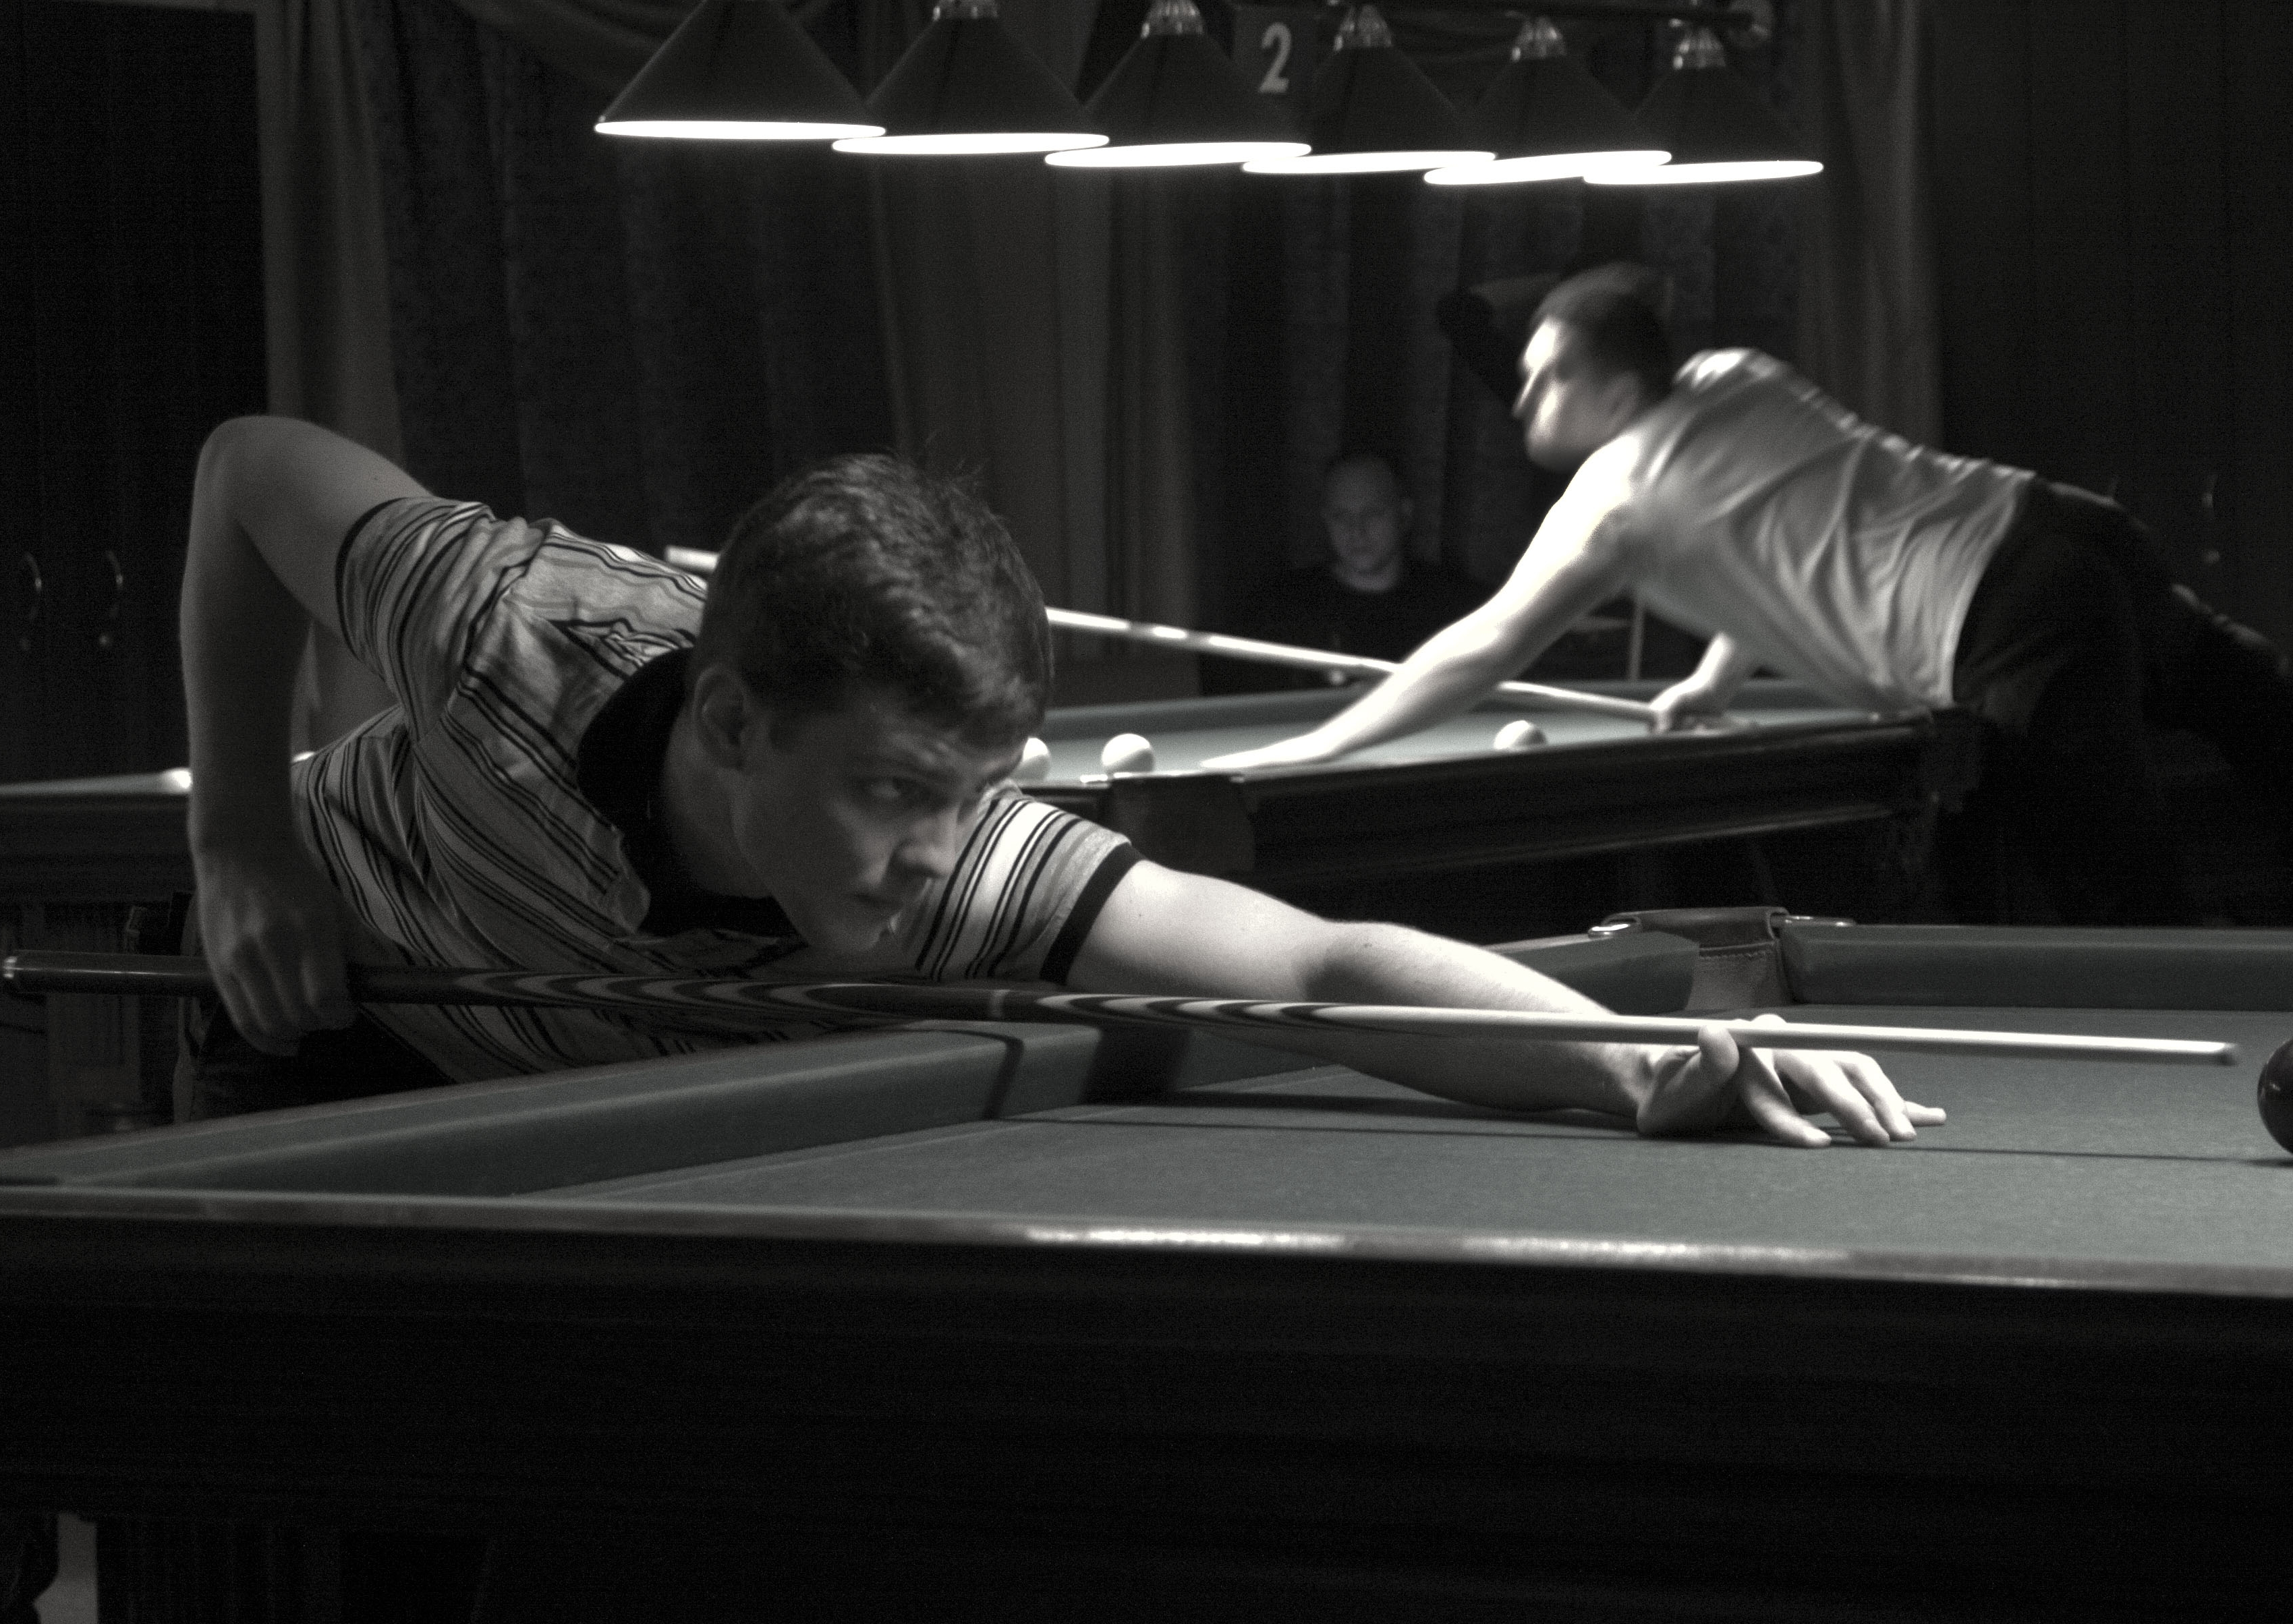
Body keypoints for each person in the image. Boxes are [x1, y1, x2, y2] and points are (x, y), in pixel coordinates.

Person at [175, 415, 1941, 1147]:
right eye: (892, 793)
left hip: (576, 1102)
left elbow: (1316, 964)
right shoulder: (504, 630)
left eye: (970, 795)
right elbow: (249, 472)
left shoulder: (962, 861)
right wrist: (240, 838)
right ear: (730, 723)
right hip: (338, 1015)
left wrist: (1647, 1065)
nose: (938, 855)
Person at [1210, 266, 2293, 926]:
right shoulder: (1736, 375)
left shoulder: (1613, 498)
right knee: (2290, 734)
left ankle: (2224, 1078)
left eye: (1542, 380)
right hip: (2067, 530)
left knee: (2123, 891)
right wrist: (1715, 673)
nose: (1521, 403)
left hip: (2004, 617)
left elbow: (1477, 652)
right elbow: (1793, 519)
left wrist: (1313, 749)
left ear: (1613, 393)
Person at [1202, 453, 1488, 693]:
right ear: (1325, 519)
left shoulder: (1459, 608)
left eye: (1372, 513)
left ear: (1403, 514)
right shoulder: (1278, 610)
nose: (1357, 531)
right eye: (1342, 516)